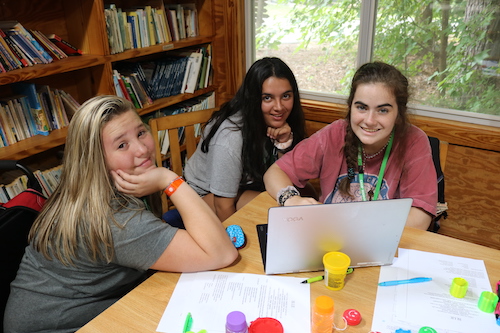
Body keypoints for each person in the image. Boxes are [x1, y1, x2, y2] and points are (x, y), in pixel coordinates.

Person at [4, 96, 238, 333]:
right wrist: (169, 179)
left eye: (140, 133)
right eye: (121, 145)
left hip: (72, 307)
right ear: (96, 160)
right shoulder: (115, 219)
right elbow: (221, 253)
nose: (143, 149)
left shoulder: (87, 188)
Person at [264, 61, 437, 230]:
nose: (369, 121)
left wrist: (359, 228)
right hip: (329, 239)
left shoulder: (413, 141)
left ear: (399, 113)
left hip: (383, 243)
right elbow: (275, 173)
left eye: (383, 110)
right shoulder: (334, 133)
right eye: (362, 107)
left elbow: (420, 217)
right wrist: (291, 199)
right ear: (351, 107)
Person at [183, 57, 308, 221]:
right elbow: (222, 205)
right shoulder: (230, 137)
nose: (279, 107)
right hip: (204, 196)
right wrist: (234, 243)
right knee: (278, 208)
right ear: (253, 98)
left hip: (245, 186)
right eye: (267, 98)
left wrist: (284, 145)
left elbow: (289, 179)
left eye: (285, 96)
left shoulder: (282, 121)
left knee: (303, 195)